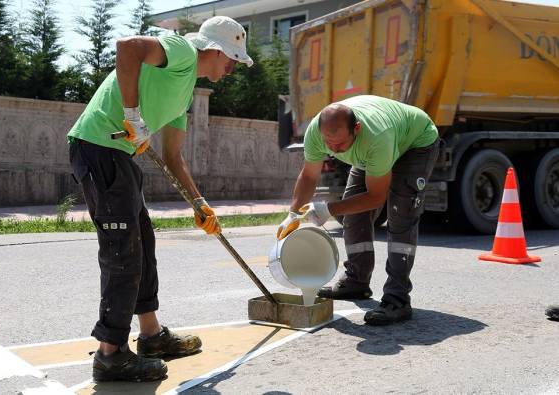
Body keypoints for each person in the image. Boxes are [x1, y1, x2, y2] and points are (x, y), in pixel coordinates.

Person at [67, 16, 253, 382]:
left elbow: (173, 158)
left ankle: (151, 336)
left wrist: (199, 204)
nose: (232, 68)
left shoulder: (184, 92)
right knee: (123, 251)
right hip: (99, 147)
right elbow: (128, 48)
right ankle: (110, 354)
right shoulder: (182, 50)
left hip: (118, 155)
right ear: (214, 50)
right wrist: (133, 114)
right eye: (231, 59)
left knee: (142, 244)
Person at [277, 95, 439, 326]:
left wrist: (328, 209)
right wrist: (292, 214)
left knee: (400, 214)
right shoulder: (317, 132)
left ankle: (398, 298)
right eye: (329, 144)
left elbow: (376, 197)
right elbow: (310, 175)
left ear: (357, 129)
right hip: (373, 151)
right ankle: (356, 280)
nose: (334, 149)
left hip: (415, 144)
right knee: (352, 213)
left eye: (341, 144)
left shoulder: (376, 138)